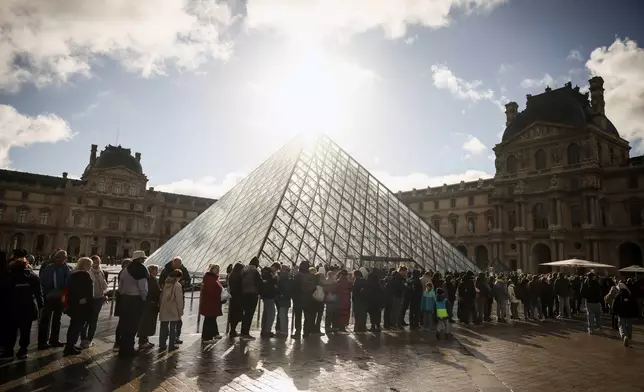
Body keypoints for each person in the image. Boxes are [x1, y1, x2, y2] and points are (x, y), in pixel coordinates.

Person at [1, 252, 43, 360]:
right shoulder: (32, 276)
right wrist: (40, 305)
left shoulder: (9, 276)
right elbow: (39, 293)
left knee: (10, 330)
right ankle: (23, 350)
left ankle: (9, 351)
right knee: (25, 330)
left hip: (11, 307)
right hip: (28, 308)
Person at [38, 249, 72, 349]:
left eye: (64, 257)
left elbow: (69, 282)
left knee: (57, 319)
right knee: (46, 319)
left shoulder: (68, 268)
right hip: (49, 297)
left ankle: (54, 339)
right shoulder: (49, 268)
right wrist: (47, 293)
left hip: (61, 297)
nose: (62, 259)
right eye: (59, 257)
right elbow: (43, 282)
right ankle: (43, 341)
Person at [117, 250, 148, 358]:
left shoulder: (125, 270)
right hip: (136, 300)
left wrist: (123, 294)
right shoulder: (141, 270)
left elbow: (120, 286)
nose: (144, 260)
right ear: (140, 259)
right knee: (133, 326)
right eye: (143, 258)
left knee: (125, 325)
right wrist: (144, 300)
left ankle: (123, 348)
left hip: (125, 299)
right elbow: (143, 288)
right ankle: (129, 349)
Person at [64, 257, 94, 356]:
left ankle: (70, 345)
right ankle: (69, 348)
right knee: (77, 327)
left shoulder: (72, 275)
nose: (90, 267)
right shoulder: (85, 276)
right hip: (82, 306)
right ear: (84, 265)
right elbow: (89, 293)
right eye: (89, 265)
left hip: (73, 304)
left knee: (73, 326)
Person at [159, 256, 191, 345]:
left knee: (171, 322)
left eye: (179, 265)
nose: (177, 267)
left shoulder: (183, 270)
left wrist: (186, 283)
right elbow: (160, 283)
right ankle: (170, 341)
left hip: (166, 302)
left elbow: (188, 280)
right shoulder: (166, 271)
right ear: (173, 263)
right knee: (172, 322)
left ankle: (174, 337)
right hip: (173, 301)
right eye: (176, 265)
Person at [80, 255, 108, 349]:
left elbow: (104, 286)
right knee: (85, 319)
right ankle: (83, 339)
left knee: (94, 319)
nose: (97, 264)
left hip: (99, 298)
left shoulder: (101, 272)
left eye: (98, 262)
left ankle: (89, 339)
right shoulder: (87, 272)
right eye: (95, 262)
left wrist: (104, 294)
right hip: (89, 299)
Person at [159, 269, 184, 351]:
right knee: (173, 327)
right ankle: (171, 345)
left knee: (163, 327)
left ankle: (162, 344)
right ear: (178, 277)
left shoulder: (166, 283)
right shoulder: (177, 285)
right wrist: (180, 311)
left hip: (164, 307)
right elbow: (179, 300)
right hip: (173, 308)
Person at [138, 264, 161, 349]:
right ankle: (142, 341)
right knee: (146, 323)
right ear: (151, 271)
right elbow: (153, 291)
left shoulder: (150, 279)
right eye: (155, 270)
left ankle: (145, 340)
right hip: (150, 304)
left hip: (150, 303)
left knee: (148, 323)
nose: (157, 272)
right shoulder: (151, 280)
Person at [200, 264, 224, 342]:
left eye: (218, 269)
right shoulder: (210, 278)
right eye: (216, 269)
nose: (217, 270)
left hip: (212, 302)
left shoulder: (212, 278)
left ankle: (212, 334)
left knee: (211, 319)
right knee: (209, 319)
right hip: (211, 302)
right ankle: (207, 337)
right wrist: (220, 295)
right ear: (212, 269)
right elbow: (211, 291)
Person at [240, 257, 261, 340]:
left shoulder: (244, 270)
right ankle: (246, 334)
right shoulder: (255, 271)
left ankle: (243, 332)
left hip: (244, 294)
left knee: (246, 314)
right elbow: (259, 283)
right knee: (249, 314)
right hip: (252, 294)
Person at [611, 282, 639, 347]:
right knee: (629, 325)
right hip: (629, 314)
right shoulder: (630, 295)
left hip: (621, 314)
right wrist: (636, 314)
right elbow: (635, 305)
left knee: (621, 325)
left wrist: (614, 313)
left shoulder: (618, 296)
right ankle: (629, 336)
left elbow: (614, 305)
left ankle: (624, 336)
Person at [113, 258, 132, 350]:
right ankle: (118, 342)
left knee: (123, 322)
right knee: (122, 322)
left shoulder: (123, 273)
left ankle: (119, 341)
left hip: (123, 300)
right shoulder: (124, 273)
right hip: (123, 300)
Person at [259, 266, 278, 338]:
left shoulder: (263, 277)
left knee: (265, 314)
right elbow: (275, 285)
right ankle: (267, 330)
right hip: (270, 297)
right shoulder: (271, 278)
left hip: (264, 297)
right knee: (271, 314)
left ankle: (263, 329)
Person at [227, 262, 244, 337]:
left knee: (233, 314)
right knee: (237, 314)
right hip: (239, 298)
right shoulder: (240, 277)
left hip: (233, 297)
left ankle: (232, 330)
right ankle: (233, 330)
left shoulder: (231, 276)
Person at [276, 264, 292, 336]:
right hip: (287, 299)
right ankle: (285, 331)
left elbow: (282, 288)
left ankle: (283, 332)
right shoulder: (289, 277)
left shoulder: (282, 277)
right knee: (285, 315)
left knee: (282, 315)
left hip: (282, 298)